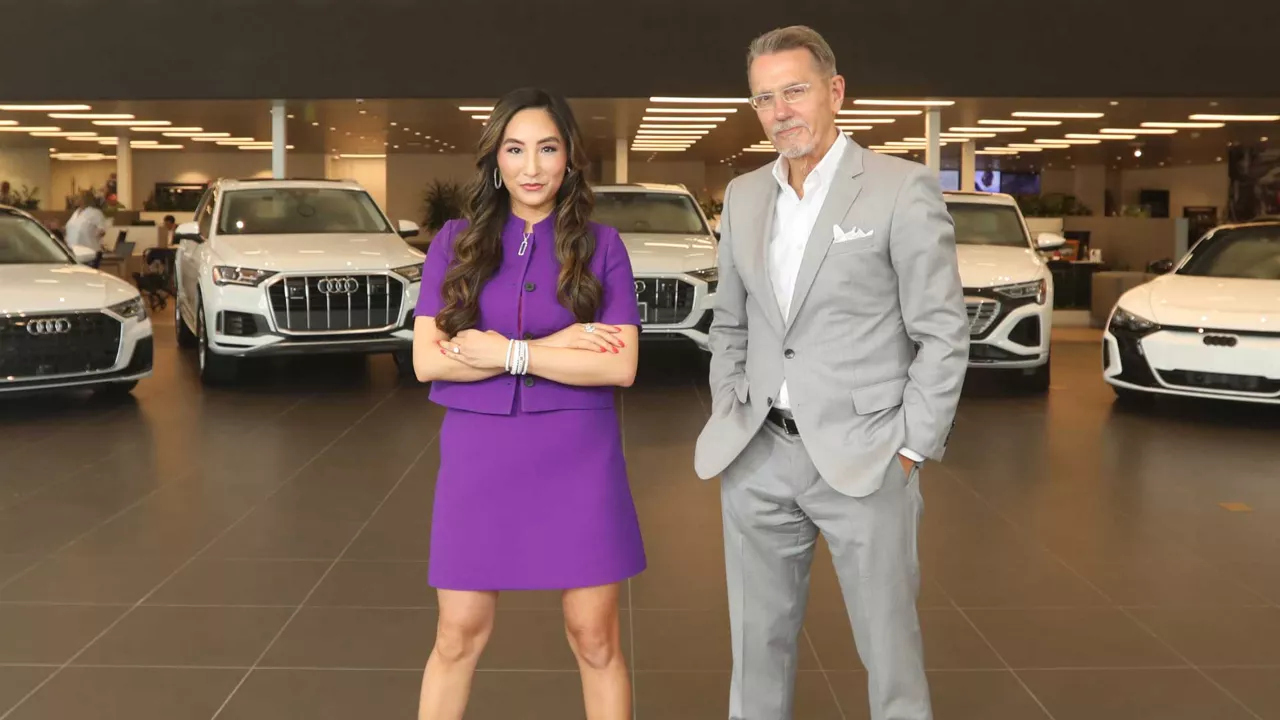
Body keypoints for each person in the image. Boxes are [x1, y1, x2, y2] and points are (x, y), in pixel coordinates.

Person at [694, 26, 969, 720]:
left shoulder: (900, 188)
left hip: (868, 459)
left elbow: (942, 332)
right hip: (757, 453)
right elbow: (730, 323)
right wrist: (732, 406)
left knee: (890, 657)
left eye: (795, 90)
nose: (780, 110)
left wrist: (910, 448)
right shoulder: (746, 195)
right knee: (757, 651)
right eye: (764, 98)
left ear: (835, 92)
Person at [411, 87, 645, 720]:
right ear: (495, 159)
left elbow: (620, 365)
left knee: (594, 637)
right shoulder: (455, 244)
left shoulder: (602, 246)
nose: (533, 167)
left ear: (570, 158)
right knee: (457, 633)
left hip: (578, 456)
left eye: (548, 149)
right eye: (516, 150)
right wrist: (559, 346)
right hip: (478, 457)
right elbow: (429, 358)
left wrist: (506, 353)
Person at [64, 191, 108, 267]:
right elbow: (72, 228)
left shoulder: (95, 213)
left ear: (84, 199)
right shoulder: (76, 213)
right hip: (74, 252)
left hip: (90, 252)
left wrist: (93, 235)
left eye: (77, 197)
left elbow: (102, 230)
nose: (74, 199)